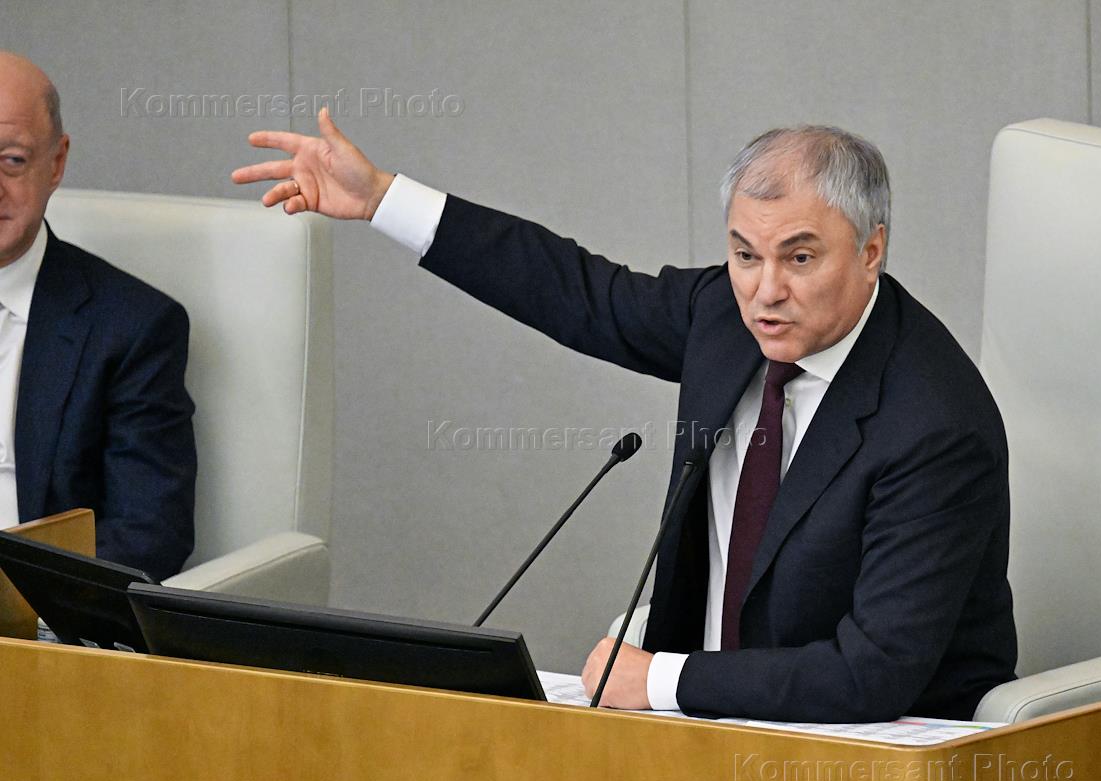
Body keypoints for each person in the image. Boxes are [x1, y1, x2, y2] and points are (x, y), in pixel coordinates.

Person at [234, 108, 1016, 722]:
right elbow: (574, 290)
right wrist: (382, 199)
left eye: (800, 257)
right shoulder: (725, 315)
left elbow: (873, 671)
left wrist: (661, 679)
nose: (765, 290)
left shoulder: (934, 422)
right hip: (709, 729)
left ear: (871, 251)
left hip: (884, 759)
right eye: (745, 254)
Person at [0, 52, 196, 580]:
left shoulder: (133, 328)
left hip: (33, 611)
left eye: (12, 161)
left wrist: (24, 602)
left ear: (56, 163)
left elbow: (149, 533)